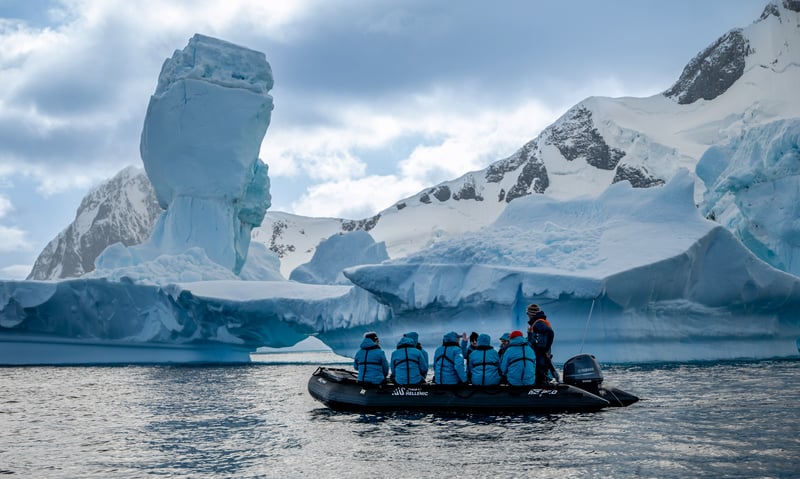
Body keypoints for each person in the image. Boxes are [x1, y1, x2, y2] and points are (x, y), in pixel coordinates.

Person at [526, 304, 559, 384]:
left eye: (527, 313)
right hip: (540, 354)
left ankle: (541, 388)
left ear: (531, 314)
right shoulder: (537, 322)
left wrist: (545, 348)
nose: (527, 315)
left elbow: (550, 332)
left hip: (540, 355)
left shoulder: (539, 323)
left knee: (540, 373)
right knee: (542, 372)